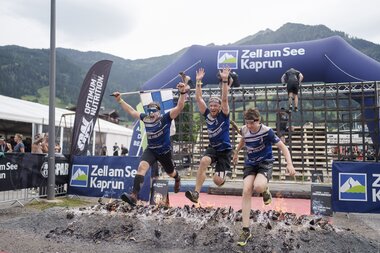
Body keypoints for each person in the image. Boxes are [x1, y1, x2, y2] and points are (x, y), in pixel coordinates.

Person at [113, 81, 189, 206]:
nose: (151, 114)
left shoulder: (166, 118)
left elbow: (180, 107)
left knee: (171, 172)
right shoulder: (146, 119)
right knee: (142, 167)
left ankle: (177, 178)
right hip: (152, 150)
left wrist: (182, 92)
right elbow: (132, 111)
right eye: (149, 111)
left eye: (154, 111)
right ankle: (134, 196)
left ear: (159, 112)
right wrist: (119, 100)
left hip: (164, 152)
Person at [232, 108, 295, 246]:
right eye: (247, 123)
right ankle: (246, 230)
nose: (249, 126)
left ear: (258, 121)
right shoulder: (244, 129)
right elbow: (243, 139)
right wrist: (236, 152)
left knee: (258, 186)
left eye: (251, 123)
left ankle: (265, 189)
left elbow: (284, 148)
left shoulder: (267, 132)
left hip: (265, 162)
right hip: (251, 164)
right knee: (246, 190)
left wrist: (289, 164)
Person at [185, 67, 232, 204]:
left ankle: (222, 175)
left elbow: (224, 99)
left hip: (224, 151)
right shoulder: (207, 115)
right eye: (210, 105)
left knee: (217, 181)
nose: (212, 108)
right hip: (213, 148)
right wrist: (198, 82)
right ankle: (196, 193)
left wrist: (224, 79)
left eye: (214, 106)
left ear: (219, 107)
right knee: (203, 161)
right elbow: (199, 98)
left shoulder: (224, 115)